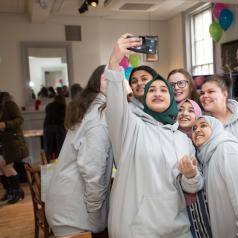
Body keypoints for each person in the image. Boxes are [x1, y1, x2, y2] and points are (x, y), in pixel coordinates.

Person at [105, 34, 203, 237]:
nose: (158, 93)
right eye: (152, 91)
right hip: (136, 228)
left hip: (176, 228)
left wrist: (191, 175)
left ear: (171, 99)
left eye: (163, 90)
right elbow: (115, 106)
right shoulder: (131, 127)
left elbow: (191, 187)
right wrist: (114, 63)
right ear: (145, 99)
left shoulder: (183, 140)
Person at [45, 65, 113, 237]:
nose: (114, 82)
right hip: (73, 212)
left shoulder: (90, 107)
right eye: (108, 78)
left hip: (65, 204)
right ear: (96, 83)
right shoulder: (99, 116)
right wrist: (97, 218)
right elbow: (92, 171)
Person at [177, 99, 212, 238]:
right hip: (179, 205)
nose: (184, 113)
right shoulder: (168, 139)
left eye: (191, 111)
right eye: (180, 109)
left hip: (206, 202)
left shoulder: (206, 140)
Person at [0, 92, 28, 204]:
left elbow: (19, 119)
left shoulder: (9, 104)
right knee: (2, 168)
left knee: (7, 167)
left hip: (12, 143)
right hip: (3, 143)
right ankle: (10, 191)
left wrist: (5, 124)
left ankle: (17, 192)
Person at [43, 94, 66, 161]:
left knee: (49, 150)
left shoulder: (48, 106)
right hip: (59, 130)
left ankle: (50, 167)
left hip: (48, 129)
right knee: (60, 151)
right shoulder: (63, 107)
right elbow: (63, 120)